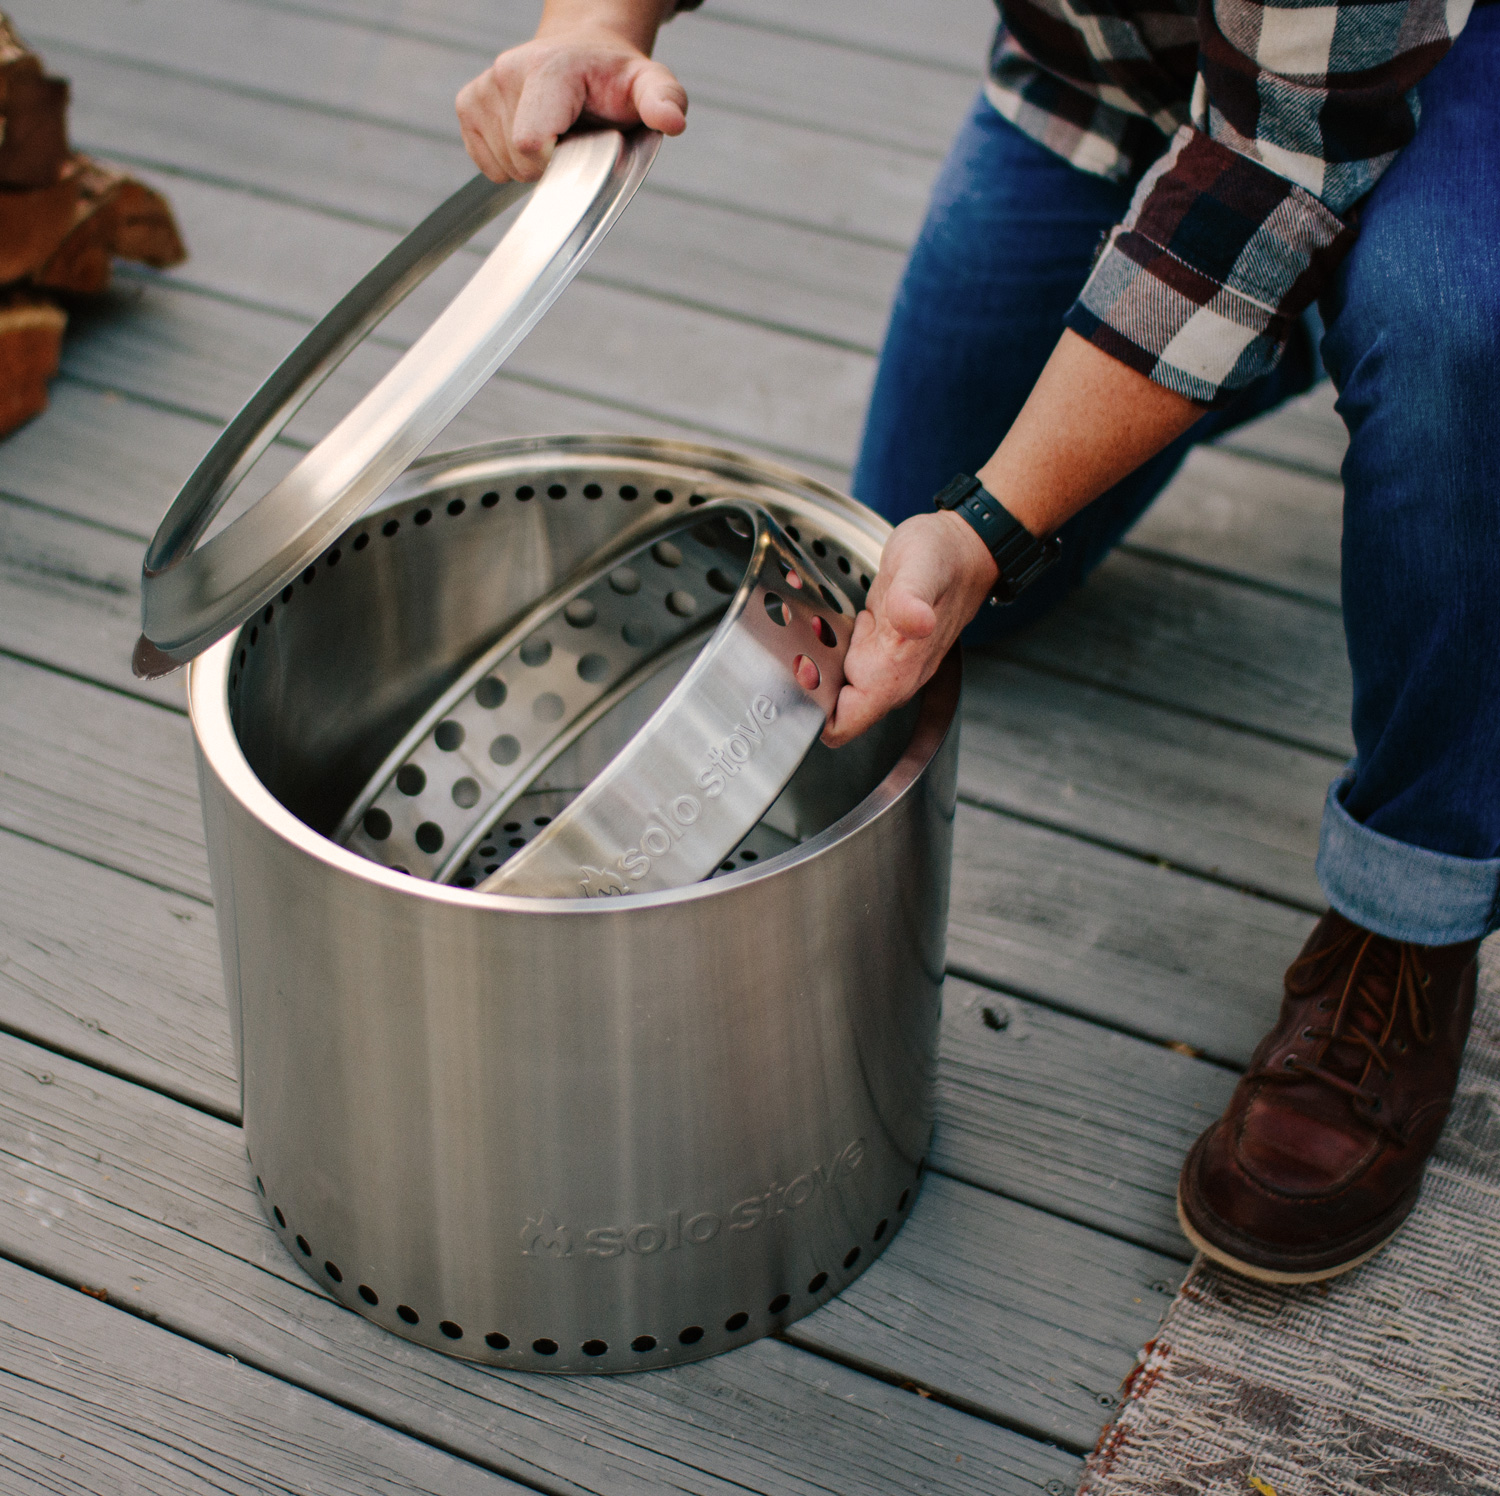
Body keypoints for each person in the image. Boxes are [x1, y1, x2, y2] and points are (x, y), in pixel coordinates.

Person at [456, 0, 1499, 1284]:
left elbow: (1276, 161)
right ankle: (1283, 335)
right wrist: (596, 24)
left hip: (1423, 65)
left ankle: (1407, 920)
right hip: (1101, 76)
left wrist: (996, 523)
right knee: (920, 503)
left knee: (1456, 333)